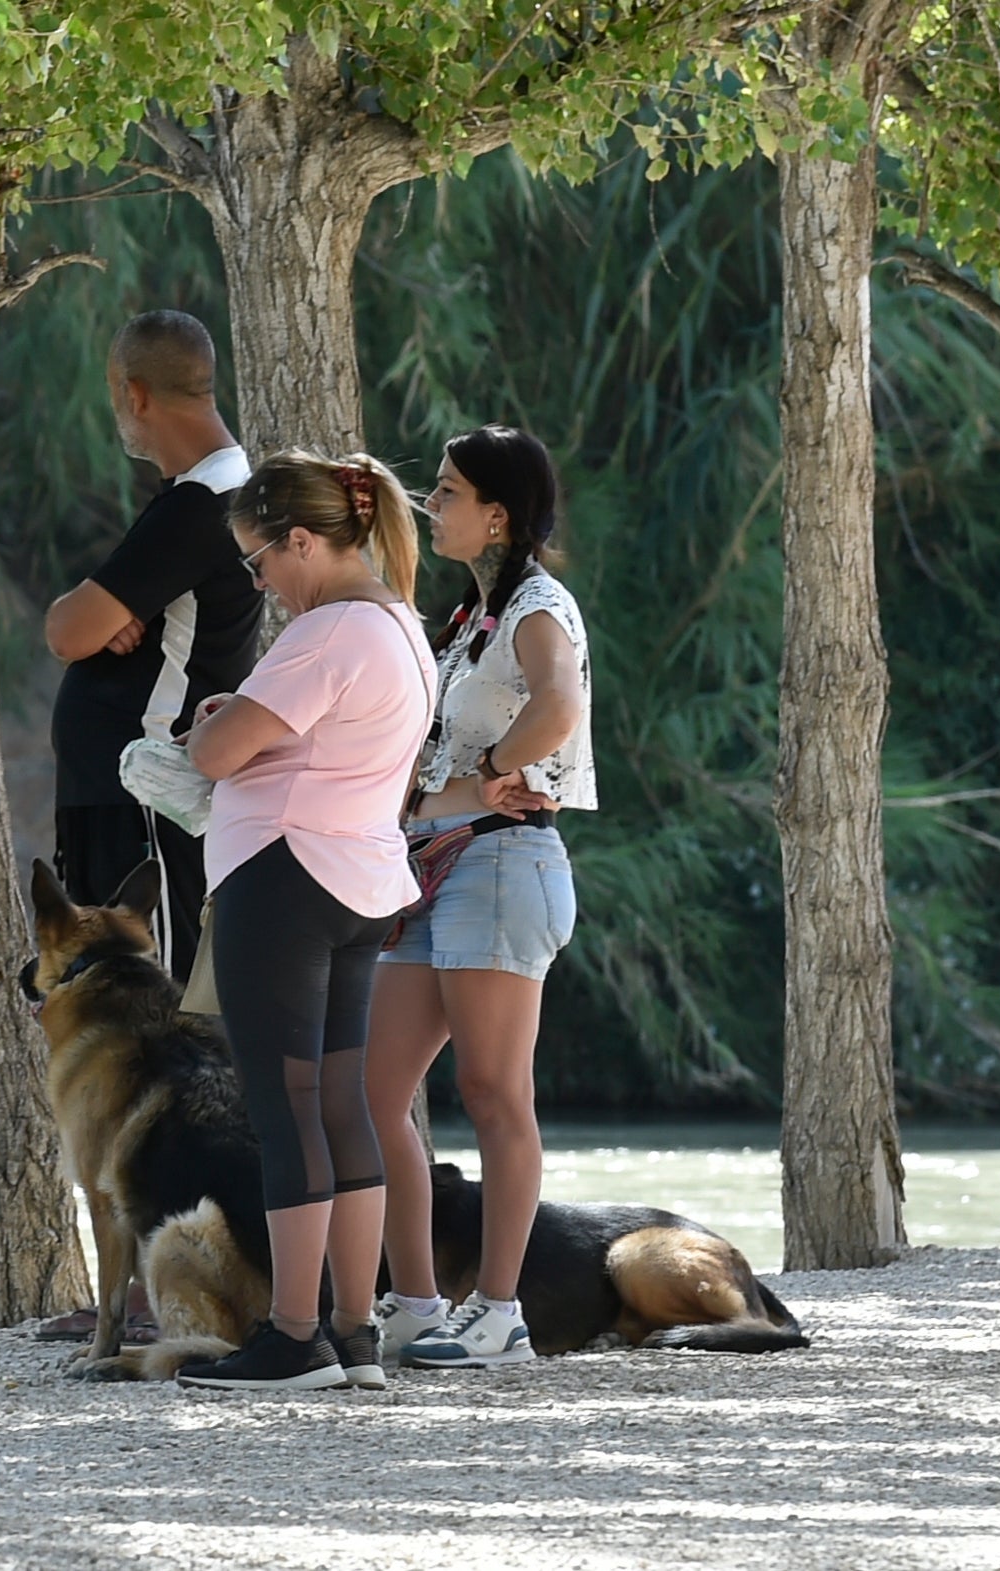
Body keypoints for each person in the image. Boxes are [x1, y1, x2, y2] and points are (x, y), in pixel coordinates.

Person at [171, 452, 436, 1392]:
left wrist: (214, 723)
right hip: (359, 882)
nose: (260, 582)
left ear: (303, 541)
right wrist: (240, 719)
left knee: (283, 1115)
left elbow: (219, 752)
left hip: (282, 879)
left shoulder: (327, 632)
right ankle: (354, 1331)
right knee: (344, 1106)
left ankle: (292, 1334)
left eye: (260, 560)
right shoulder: (402, 629)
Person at [364, 425, 594, 1370]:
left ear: (496, 515)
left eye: (449, 491)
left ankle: (500, 1309)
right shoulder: (469, 620)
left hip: (504, 866)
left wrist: (500, 766)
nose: (432, 502)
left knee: (495, 1092)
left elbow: (559, 701)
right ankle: (415, 1301)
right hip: (436, 866)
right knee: (373, 1091)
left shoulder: (539, 606)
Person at [44, 311, 259, 982]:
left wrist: (94, 612)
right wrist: (99, 608)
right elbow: (80, 621)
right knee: (107, 1000)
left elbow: (65, 631)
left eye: (116, 397)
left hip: (146, 797)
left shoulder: (201, 507)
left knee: (147, 1006)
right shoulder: (200, 497)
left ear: (135, 394)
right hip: (119, 796)